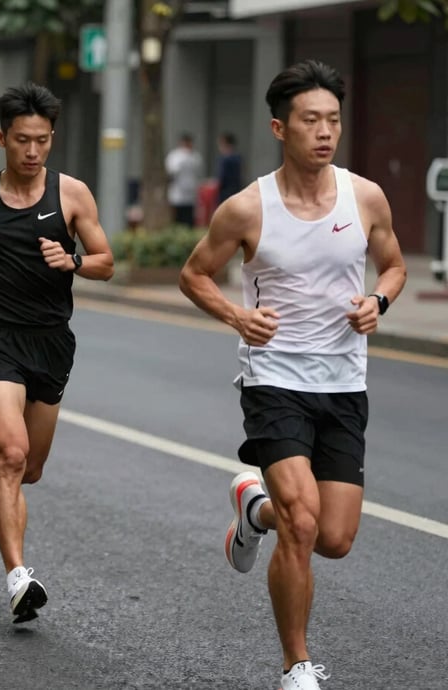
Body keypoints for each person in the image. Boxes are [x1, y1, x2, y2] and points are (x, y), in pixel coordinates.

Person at [178, 59, 406, 690]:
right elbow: (193, 274)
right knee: (302, 523)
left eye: (333, 119)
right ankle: (296, 664)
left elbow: (392, 266)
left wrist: (379, 302)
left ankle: (255, 512)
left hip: (344, 382)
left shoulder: (365, 197)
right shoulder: (249, 208)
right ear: (281, 127)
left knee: (333, 537)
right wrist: (236, 316)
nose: (325, 131)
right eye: (311, 120)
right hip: (274, 379)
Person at [0, 82, 114, 624]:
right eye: (22, 141)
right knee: (10, 453)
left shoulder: (72, 194)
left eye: (42, 141)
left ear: (51, 139)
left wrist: (73, 263)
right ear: (1, 138)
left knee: (28, 470)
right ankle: (18, 577)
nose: (32, 153)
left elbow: (106, 261)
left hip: (52, 341)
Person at [165, 132, 203, 227]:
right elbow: (171, 172)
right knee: (181, 217)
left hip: (188, 193)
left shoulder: (194, 156)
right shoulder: (176, 156)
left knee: (186, 217)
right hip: (179, 193)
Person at [215, 132, 242, 205]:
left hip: (225, 193)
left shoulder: (225, 159)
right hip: (236, 191)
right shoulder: (238, 158)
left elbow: (222, 178)